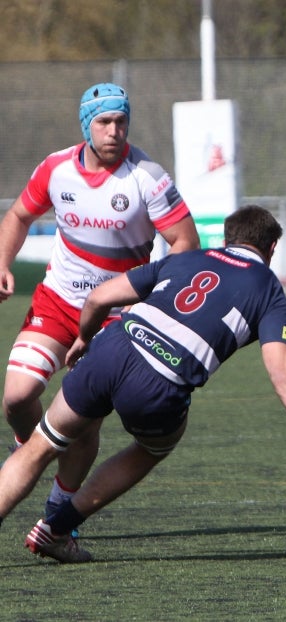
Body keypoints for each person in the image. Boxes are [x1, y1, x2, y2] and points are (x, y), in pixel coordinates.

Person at [0, 205, 286, 563]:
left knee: (40, 444)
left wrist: (85, 338)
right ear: (272, 248)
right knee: (153, 448)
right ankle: (57, 529)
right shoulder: (269, 291)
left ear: (228, 239)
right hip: (159, 380)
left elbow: (98, 297)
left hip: (113, 346)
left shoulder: (186, 259)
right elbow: (283, 372)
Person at [0, 82, 200, 524]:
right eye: (105, 122)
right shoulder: (56, 169)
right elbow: (18, 215)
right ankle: (29, 448)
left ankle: (56, 512)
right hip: (58, 301)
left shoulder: (147, 176)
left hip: (115, 318)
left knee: (83, 422)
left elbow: (186, 241)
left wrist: (146, 297)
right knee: (16, 397)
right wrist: (3, 261)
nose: (115, 131)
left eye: (121, 121)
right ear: (86, 126)